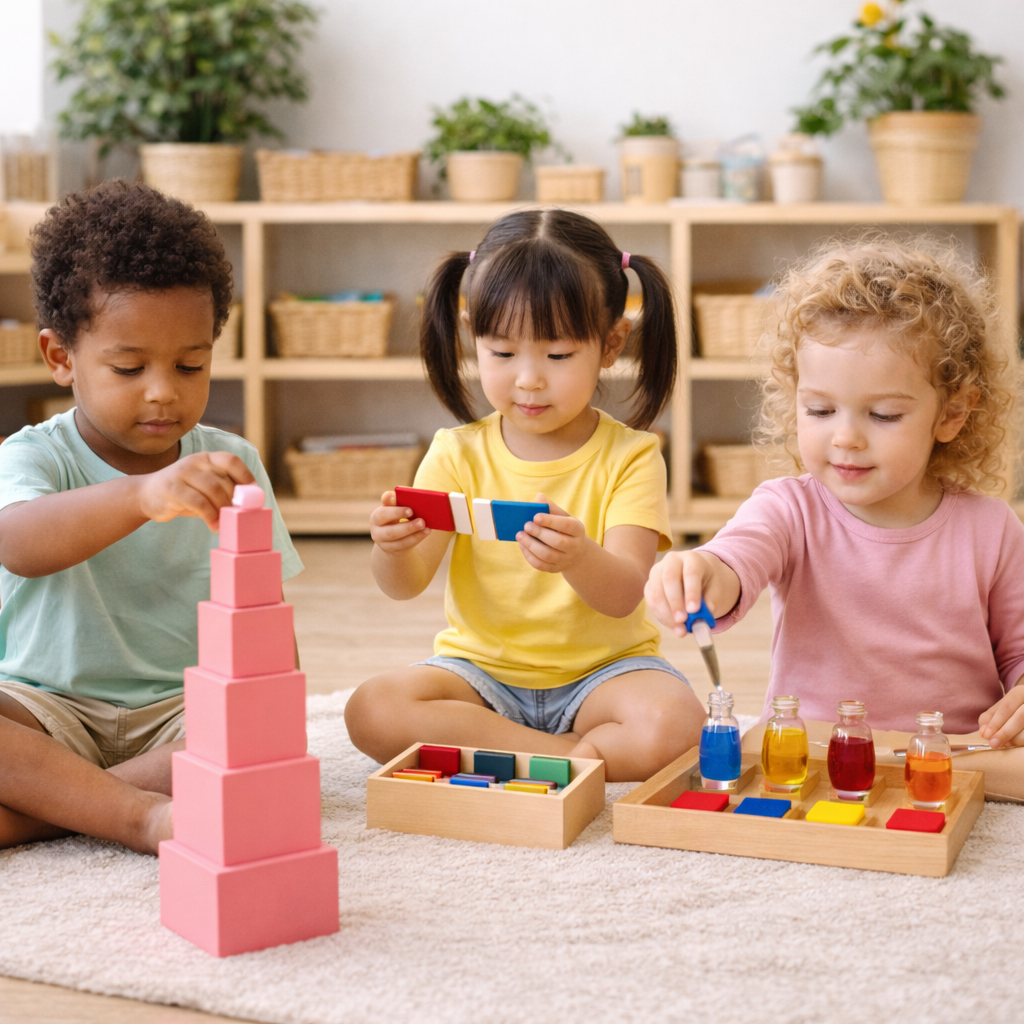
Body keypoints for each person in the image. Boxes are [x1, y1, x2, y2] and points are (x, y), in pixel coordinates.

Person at [645, 236, 1024, 794]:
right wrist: (699, 573)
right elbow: (734, 564)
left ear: (953, 413)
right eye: (819, 410)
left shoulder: (992, 528)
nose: (845, 438)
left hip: (952, 753)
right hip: (817, 746)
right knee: (746, 743)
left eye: (884, 414)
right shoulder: (788, 508)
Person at [345, 209, 703, 782]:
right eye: (503, 354)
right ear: (473, 339)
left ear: (611, 344)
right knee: (371, 709)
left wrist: (579, 557)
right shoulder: (455, 453)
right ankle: (566, 759)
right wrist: (390, 549)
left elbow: (624, 594)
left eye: (558, 356)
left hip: (604, 675)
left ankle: (511, 754)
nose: (529, 379)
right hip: (479, 674)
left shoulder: (632, 456)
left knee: (676, 724)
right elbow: (405, 584)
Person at [0, 180, 301, 852]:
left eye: (191, 364)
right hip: (47, 707)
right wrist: (143, 496)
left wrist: (268, 711)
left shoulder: (230, 460)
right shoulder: (32, 456)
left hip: (182, 713)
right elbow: (17, 541)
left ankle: (62, 802)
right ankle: (136, 813)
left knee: (263, 730)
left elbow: (267, 623)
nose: (164, 391)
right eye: (129, 367)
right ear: (60, 358)